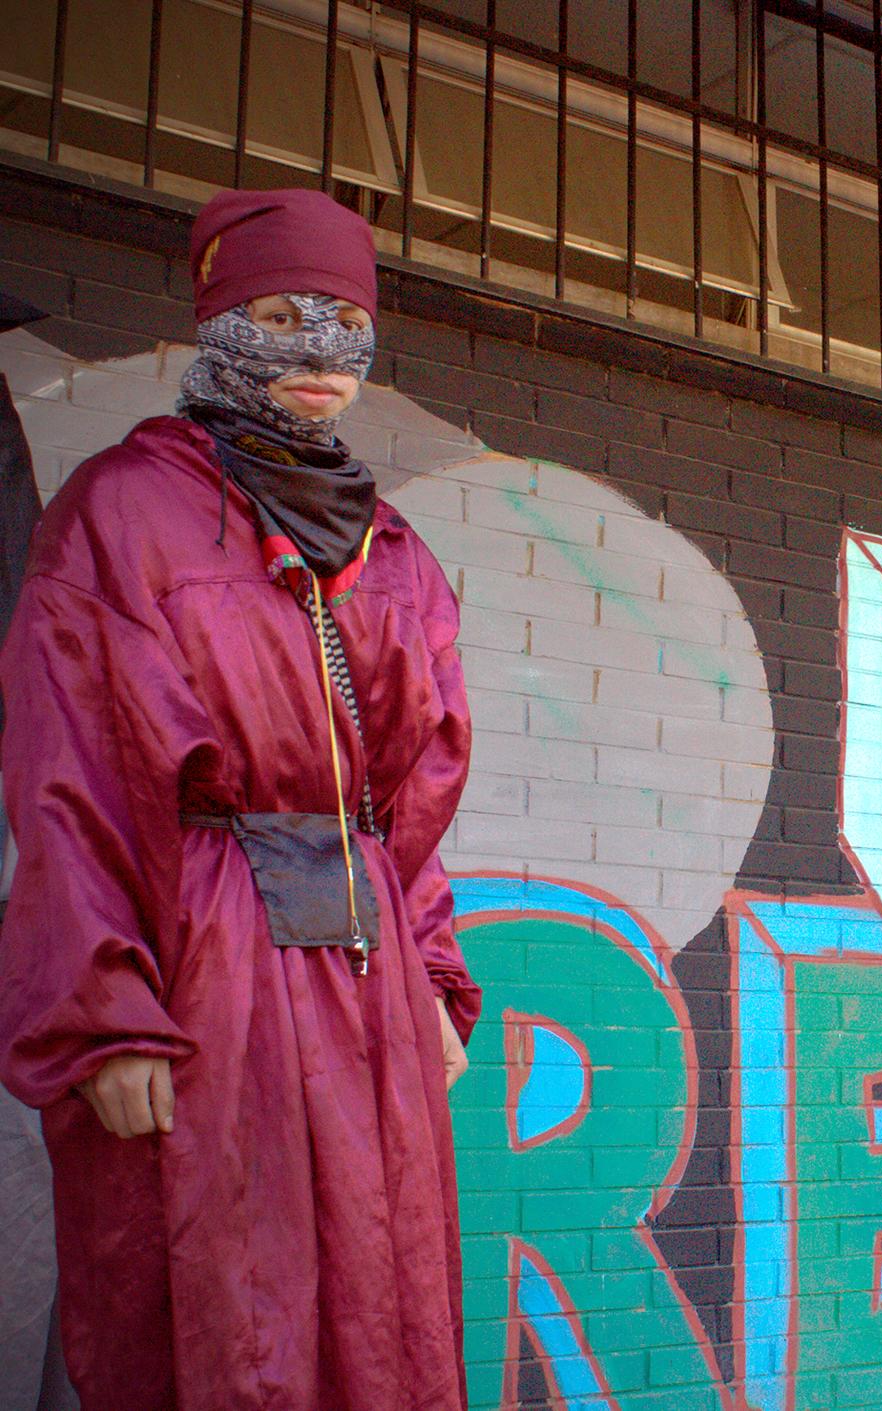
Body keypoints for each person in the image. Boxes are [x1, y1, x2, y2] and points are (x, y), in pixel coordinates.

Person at [0, 189, 479, 1410]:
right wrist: (103, 1013)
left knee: (387, 1292)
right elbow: (71, 775)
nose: (319, 352)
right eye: (281, 314)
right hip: (205, 945)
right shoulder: (123, 513)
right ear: (219, 320)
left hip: (367, 967)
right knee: (223, 1290)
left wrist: (431, 968)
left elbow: (410, 805)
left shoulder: (400, 553)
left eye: (348, 323)